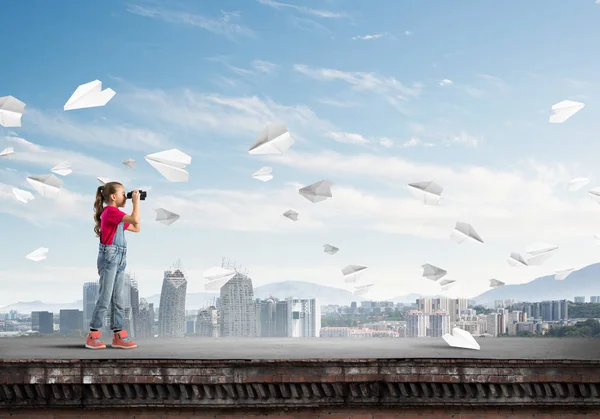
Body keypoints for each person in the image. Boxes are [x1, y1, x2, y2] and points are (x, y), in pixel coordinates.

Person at [85, 182, 141, 350]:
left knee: (118, 299)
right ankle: (93, 335)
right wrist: (136, 202)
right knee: (105, 297)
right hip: (110, 257)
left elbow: (137, 228)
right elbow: (135, 219)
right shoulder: (110, 211)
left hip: (120, 258)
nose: (126, 196)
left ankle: (118, 335)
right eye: (123, 193)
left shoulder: (117, 217)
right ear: (113, 197)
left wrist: (135, 205)